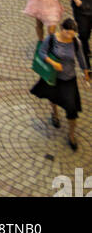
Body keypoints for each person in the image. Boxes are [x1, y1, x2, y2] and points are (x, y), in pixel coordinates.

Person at [31, 17, 90, 149]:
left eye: (73, 34)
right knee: (53, 98)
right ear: (62, 29)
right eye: (68, 33)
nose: (70, 36)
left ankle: (71, 135)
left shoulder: (76, 42)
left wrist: (86, 72)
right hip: (53, 77)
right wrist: (53, 63)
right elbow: (41, 52)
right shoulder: (51, 39)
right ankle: (55, 113)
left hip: (69, 79)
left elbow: (81, 57)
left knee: (72, 108)